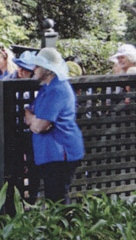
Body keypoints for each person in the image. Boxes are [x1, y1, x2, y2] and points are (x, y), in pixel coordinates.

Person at [24, 48, 85, 204]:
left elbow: (39, 127)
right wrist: (34, 119)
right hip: (52, 152)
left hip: (61, 153)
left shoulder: (57, 89)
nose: (34, 69)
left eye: (38, 65)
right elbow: (29, 114)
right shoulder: (47, 88)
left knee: (57, 200)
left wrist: (34, 120)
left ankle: (66, 228)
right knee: (54, 198)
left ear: (49, 69)